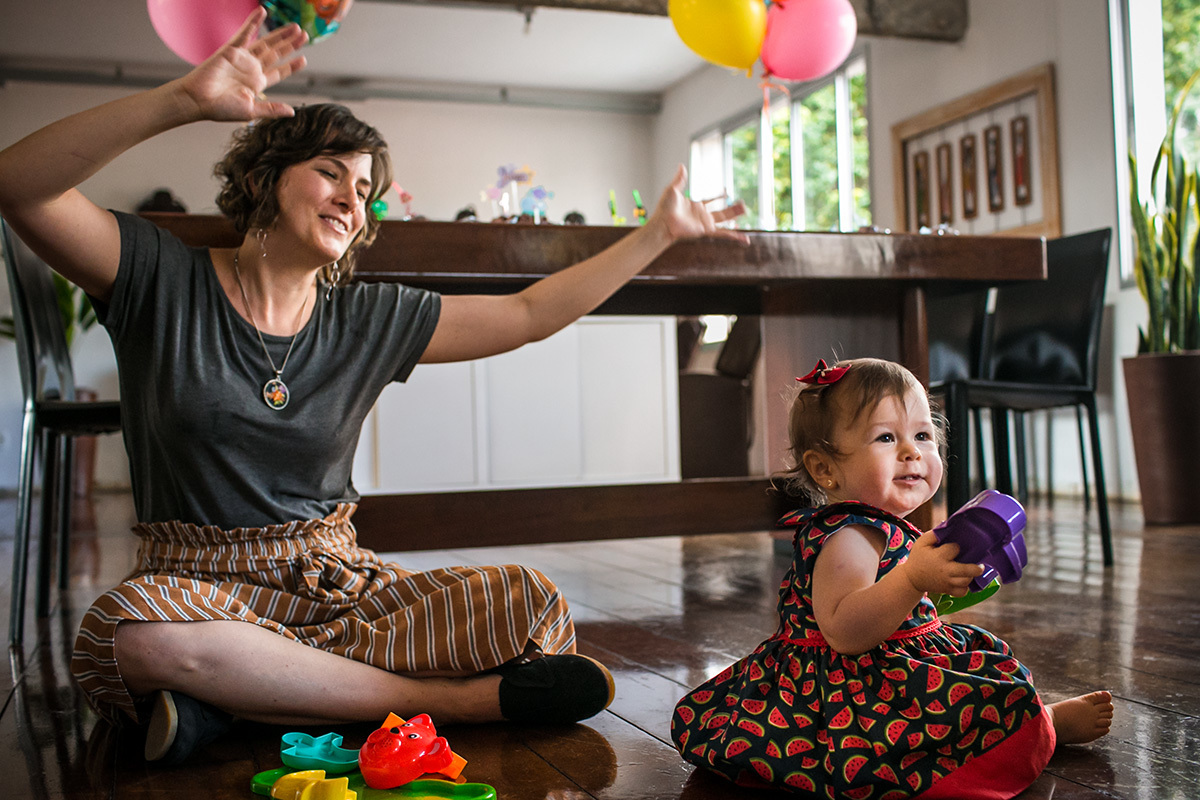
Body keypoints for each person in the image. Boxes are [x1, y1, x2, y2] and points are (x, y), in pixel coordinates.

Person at [0, 8, 747, 765]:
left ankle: (232, 702)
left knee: (529, 603)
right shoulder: (159, 278)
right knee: (131, 636)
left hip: (336, 589)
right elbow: (17, 185)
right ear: (264, 176)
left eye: (364, 190)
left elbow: (527, 314)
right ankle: (443, 704)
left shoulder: (366, 317)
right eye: (331, 171)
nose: (352, 201)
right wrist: (181, 102)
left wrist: (655, 236)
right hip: (196, 593)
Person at [670, 358, 1113, 798]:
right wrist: (913, 580)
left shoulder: (885, 526)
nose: (912, 451)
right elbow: (844, 630)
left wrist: (941, 585)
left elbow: (900, 603)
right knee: (972, 713)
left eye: (923, 435)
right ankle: (1043, 727)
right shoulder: (849, 535)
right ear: (825, 469)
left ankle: (1038, 722)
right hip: (853, 689)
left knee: (988, 680)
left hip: (896, 660)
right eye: (886, 437)